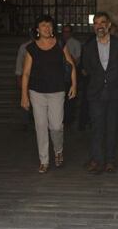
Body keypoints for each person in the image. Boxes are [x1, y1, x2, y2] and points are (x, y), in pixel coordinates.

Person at [21, 15, 77, 174]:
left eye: (49, 25)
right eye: (43, 25)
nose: (46, 28)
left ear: (53, 28)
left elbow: (71, 64)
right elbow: (25, 74)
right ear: (37, 29)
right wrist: (24, 96)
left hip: (57, 91)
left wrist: (74, 84)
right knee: (40, 126)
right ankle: (44, 160)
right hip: (37, 92)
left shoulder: (60, 44)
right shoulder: (31, 48)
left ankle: (58, 150)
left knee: (56, 126)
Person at [82, 12, 118, 174]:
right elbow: (87, 68)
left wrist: (112, 78)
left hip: (115, 92)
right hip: (96, 93)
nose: (99, 25)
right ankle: (97, 160)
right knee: (97, 127)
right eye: (96, 23)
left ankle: (110, 160)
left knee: (111, 127)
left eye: (103, 22)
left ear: (109, 25)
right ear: (94, 26)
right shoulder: (88, 46)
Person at [60, 24, 82, 126]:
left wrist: (67, 54)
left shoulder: (75, 43)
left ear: (71, 33)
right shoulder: (58, 43)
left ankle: (69, 119)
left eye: (68, 31)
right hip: (61, 75)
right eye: (64, 31)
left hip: (71, 74)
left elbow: (77, 61)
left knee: (70, 99)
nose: (66, 34)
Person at [15, 29, 34, 130]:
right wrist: (19, 77)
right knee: (25, 99)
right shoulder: (24, 47)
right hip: (27, 76)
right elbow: (19, 64)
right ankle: (25, 122)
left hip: (39, 78)